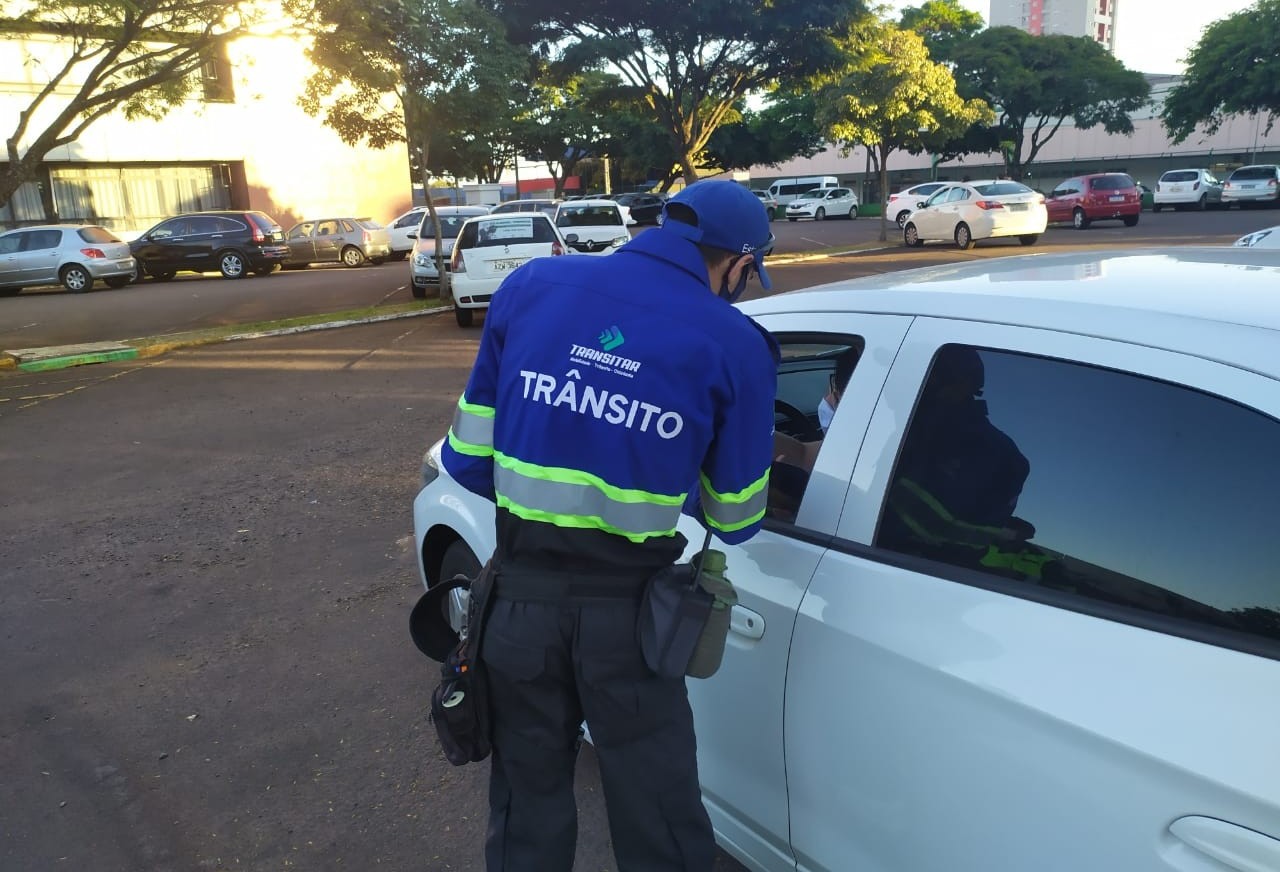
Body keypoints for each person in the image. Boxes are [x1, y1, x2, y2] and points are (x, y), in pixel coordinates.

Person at [440, 180, 778, 872]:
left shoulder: (531, 286)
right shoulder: (735, 343)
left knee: (524, 813)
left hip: (516, 611)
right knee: (659, 819)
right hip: (632, 628)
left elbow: (468, 463)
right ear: (739, 265)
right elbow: (736, 518)